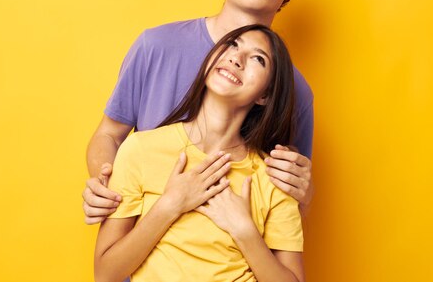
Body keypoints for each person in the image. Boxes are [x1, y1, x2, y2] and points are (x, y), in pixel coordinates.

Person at [83, 0, 314, 224]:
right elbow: (109, 134)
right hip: (141, 254)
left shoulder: (293, 90)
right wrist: (105, 183)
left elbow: (285, 206)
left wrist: (304, 193)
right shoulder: (156, 46)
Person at [94, 25, 304, 282]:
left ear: (265, 95)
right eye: (233, 45)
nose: (236, 59)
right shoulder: (141, 149)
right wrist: (170, 205)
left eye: (258, 59)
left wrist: (244, 231)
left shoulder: (273, 177)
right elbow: (105, 274)